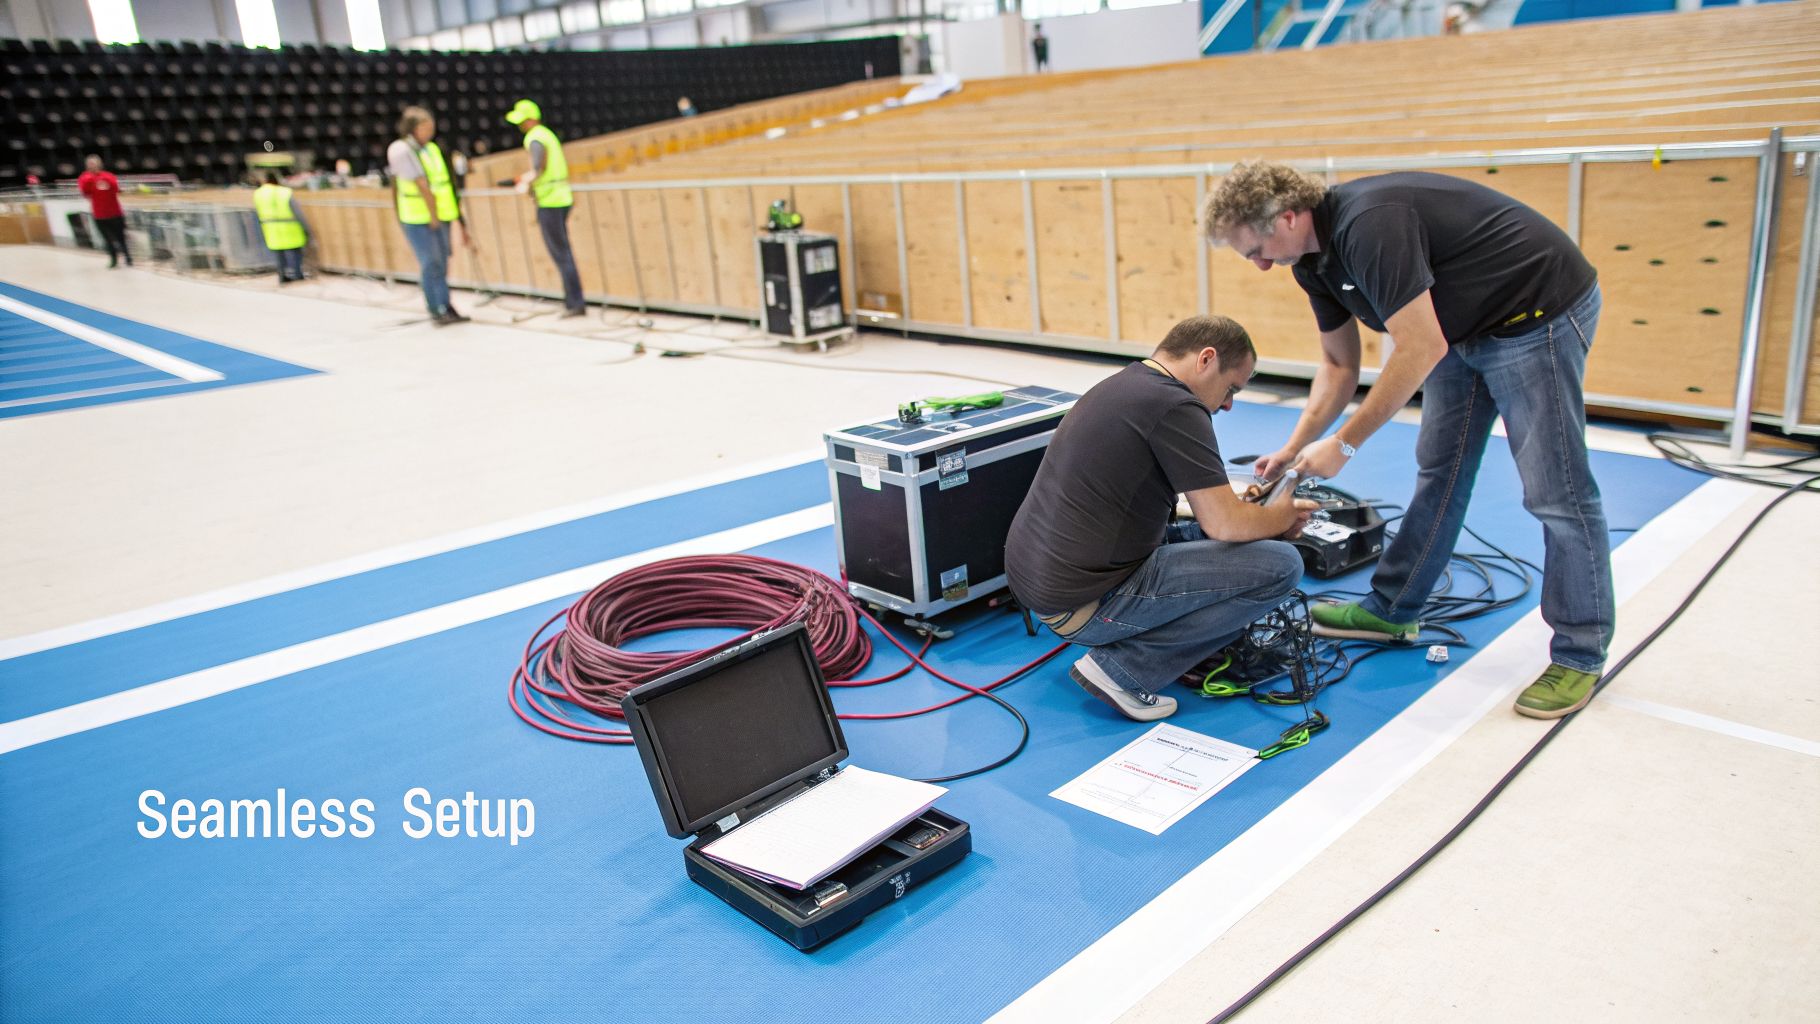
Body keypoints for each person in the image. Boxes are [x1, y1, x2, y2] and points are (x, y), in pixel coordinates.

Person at [1200, 162, 1610, 720]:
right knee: (1440, 468)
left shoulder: (1370, 225)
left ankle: (1580, 653)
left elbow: (1417, 349)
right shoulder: (1311, 262)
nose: (1262, 265)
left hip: (1534, 314)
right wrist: (1295, 450)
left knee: (1554, 489)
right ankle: (1392, 609)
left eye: (1257, 249)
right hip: (1458, 330)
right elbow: (1339, 364)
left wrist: (1344, 444)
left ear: (1289, 216)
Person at [1005, 316, 1317, 722]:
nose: (1227, 404)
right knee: (1281, 566)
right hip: (1086, 605)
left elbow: (1203, 516)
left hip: (1043, 584)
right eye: (1231, 388)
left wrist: (1257, 517)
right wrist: (1280, 516)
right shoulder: (1177, 406)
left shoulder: (1126, 385)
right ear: (1207, 359)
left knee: (1217, 538)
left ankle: (1155, 652)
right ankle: (1124, 670)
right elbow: (1224, 524)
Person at [504, 99, 587, 319]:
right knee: (564, 253)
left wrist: (525, 183)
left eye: (522, 120)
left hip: (550, 200)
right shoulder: (547, 134)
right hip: (561, 196)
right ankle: (573, 301)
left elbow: (538, 167)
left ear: (531, 119)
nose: (520, 125)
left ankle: (575, 303)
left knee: (561, 254)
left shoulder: (535, 137)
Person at [389, 107, 469, 326]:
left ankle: (446, 304)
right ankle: (436, 308)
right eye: (425, 127)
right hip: (418, 218)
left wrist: (453, 217)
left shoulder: (431, 149)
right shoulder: (401, 150)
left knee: (442, 263)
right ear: (414, 128)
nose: (430, 131)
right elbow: (420, 185)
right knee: (430, 263)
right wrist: (432, 215)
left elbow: (442, 183)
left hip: (440, 215)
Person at [252, 171, 309, 284]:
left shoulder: (258, 193)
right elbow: (297, 211)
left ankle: (282, 276)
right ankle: (297, 274)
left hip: (270, 229)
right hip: (290, 227)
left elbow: (257, 212)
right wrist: (305, 227)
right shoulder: (285, 192)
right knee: (295, 252)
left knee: (278, 254)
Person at [77, 155, 130, 268]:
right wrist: (91, 179)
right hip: (99, 214)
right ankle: (113, 258)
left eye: (94, 163)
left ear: (99, 164)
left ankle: (128, 257)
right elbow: (85, 192)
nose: (92, 166)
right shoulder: (84, 177)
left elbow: (116, 189)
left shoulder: (108, 176)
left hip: (115, 212)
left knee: (121, 237)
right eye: (90, 164)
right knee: (107, 239)